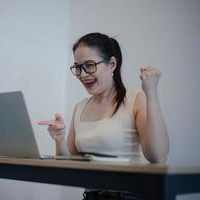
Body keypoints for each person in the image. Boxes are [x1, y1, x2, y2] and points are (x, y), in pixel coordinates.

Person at [38, 32, 169, 200]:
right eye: (77, 67)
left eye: (90, 65)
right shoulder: (80, 107)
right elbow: (67, 165)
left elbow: (158, 157)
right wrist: (59, 138)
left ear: (112, 64)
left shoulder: (134, 100)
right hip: (91, 196)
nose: (83, 74)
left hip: (129, 196)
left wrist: (151, 92)